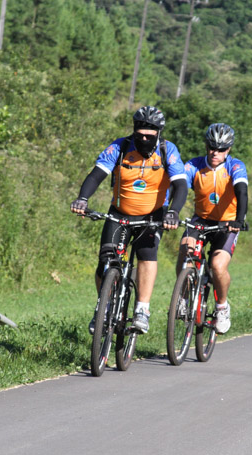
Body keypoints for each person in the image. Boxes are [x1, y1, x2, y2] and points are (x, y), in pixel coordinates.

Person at [71, 106, 188, 334]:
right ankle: (103, 307)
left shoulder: (168, 150)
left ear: (158, 133)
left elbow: (181, 185)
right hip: (119, 213)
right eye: (139, 135)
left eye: (149, 136)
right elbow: (96, 175)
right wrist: (82, 199)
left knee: (146, 255)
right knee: (105, 261)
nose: (143, 140)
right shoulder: (120, 147)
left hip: (153, 215)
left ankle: (142, 309)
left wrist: (173, 212)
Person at [175, 123, 248, 334]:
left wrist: (239, 220)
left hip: (228, 222)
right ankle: (183, 297)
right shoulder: (194, 165)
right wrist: (171, 211)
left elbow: (241, 191)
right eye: (211, 147)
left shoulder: (235, 166)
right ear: (206, 146)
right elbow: (179, 187)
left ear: (229, 149)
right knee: (185, 248)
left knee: (217, 265)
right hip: (202, 219)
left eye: (221, 149)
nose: (215, 152)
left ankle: (222, 307)